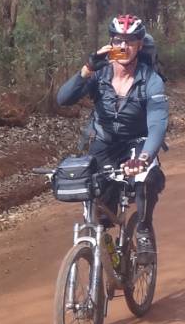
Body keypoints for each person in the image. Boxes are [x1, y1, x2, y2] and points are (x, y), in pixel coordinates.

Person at [56, 14, 168, 263]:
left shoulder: (151, 80)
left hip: (138, 142)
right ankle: (105, 252)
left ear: (140, 44)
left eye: (130, 41)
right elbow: (63, 99)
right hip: (104, 143)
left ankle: (143, 230)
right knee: (94, 198)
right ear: (110, 43)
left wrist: (144, 157)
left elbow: (158, 125)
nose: (124, 46)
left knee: (146, 177)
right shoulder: (99, 73)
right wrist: (87, 69)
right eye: (118, 40)